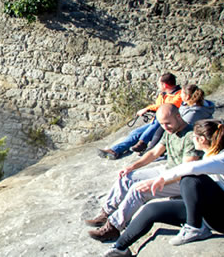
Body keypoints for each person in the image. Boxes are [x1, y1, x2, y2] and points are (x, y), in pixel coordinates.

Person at [101, 119, 224, 257]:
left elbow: (191, 167)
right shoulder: (210, 155)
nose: (192, 139)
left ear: (201, 139)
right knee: (152, 209)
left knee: (190, 179)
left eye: (193, 137)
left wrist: (161, 179)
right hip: (214, 211)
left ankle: (194, 228)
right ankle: (119, 248)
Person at [86, 104, 201, 242]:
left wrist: (156, 182)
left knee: (138, 189)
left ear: (178, 116)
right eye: (162, 124)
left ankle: (113, 227)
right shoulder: (170, 131)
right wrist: (132, 167)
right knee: (127, 178)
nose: (165, 127)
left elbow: (186, 170)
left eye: (168, 123)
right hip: (168, 169)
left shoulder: (190, 136)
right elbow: (153, 153)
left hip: (183, 180)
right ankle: (107, 213)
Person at [98, 73, 182, 160]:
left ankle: (143, 142)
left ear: (164, 85)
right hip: (155, 123)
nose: (159, 85)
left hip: (167, 123)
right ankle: (115, 150)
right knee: (135, 133)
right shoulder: (163, 94)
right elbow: (158, 105)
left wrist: (147, 108)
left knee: (156, 122)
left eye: (160, 83)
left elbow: (167, 107)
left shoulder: (179, 95)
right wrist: (149, 109)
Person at [134, 84, 215, 154]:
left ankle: (149, 147)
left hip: (194, 133)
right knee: (156, 125)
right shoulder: (189, 105)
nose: (180, 95)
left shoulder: (193, 113)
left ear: (187, 96)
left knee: (163, 125)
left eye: (182, 93)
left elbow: (184, 124)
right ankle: (144, 144)